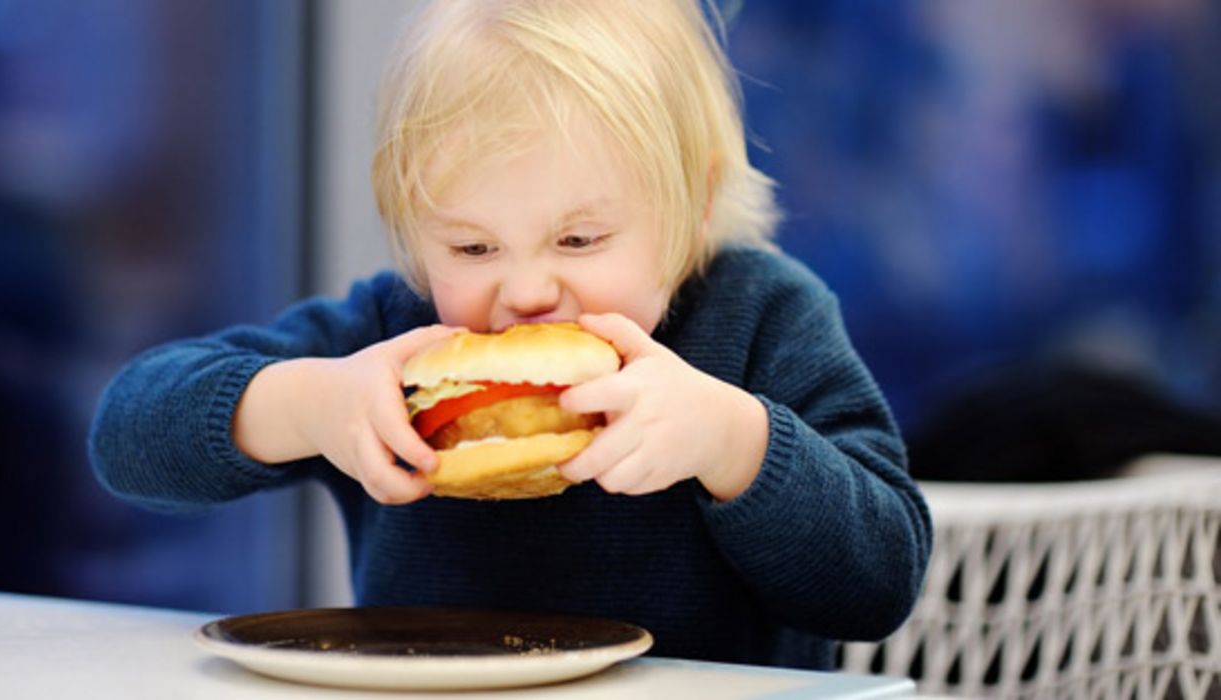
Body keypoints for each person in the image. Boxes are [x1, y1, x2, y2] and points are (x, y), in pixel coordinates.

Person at [89, 0, 930, 669]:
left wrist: (736, 443)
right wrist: (305, 406)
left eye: (578, 240)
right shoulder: (392, 337)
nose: (525, 291)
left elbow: (878, 582)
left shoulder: (761, 317)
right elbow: (125, 436)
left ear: (694, 202)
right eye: (471, 247)